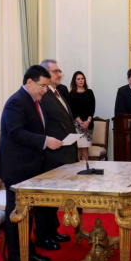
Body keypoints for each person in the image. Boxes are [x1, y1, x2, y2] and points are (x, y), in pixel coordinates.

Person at [0, 65, 63, 261]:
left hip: (31, 166)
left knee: (28, 213)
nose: (45, 90)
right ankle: (16, 259)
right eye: (43, 86)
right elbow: (15, 132)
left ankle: (28, 250)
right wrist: (45, 141)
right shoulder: (16, 102)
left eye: (47, 86)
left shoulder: (34, 100)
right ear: (30, 82)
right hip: (17, 168)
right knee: (16, 214)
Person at [36, 59, 77, 250]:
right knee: (47, 198)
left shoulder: (58, 92)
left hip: (64, 151)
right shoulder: (43, 96)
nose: (60, 74)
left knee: (54, 199)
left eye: (60, 71)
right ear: (45, 75)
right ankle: (43, 235)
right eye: (56, 71)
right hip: (52, 154)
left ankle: (53, 231)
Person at [68, 71, 96, 161]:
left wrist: (87, 122)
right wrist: (81, 123)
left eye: (82, 78)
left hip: (88, 124)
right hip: (76, 125)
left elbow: (92, 108)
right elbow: (72, 111)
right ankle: (78, 170)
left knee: (85, 148)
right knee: (78, 148)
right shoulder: (71, 94)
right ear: (75, 81)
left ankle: (85, 169)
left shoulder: (89, 92)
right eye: (78, 79)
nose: (81, 80)